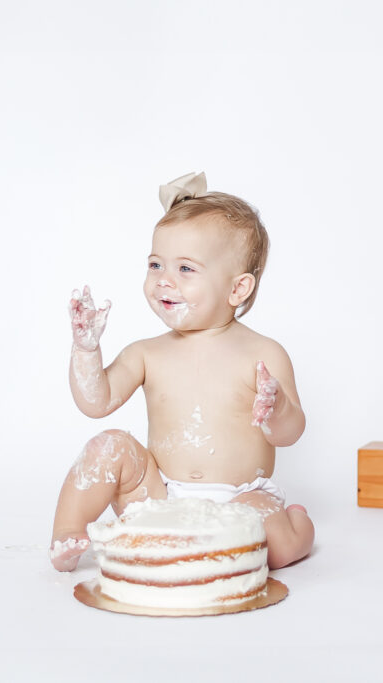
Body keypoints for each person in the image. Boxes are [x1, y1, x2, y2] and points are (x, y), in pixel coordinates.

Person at [49, 172, 313, 572]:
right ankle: (67, 533)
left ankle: (298, 529)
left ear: (237, 289)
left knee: (269, 547)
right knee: (109, 445)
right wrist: (86, 349)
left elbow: (292, 433)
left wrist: (276, 410)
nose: (163, 281)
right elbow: (96, 402)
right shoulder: (146, 353)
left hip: (241, 497)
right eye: (156, 264)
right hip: (159, 495)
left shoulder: (263, 354)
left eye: (186, 269)